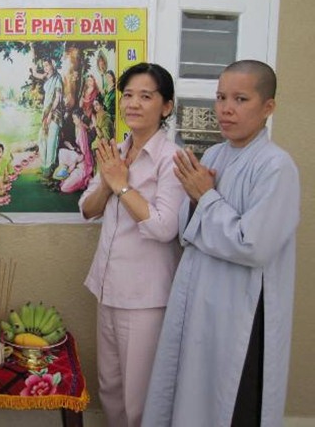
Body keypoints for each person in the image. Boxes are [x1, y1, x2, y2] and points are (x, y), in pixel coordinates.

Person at [142, 60, 300, 427]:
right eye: (220, 97)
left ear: (268, 107)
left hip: (241, 312)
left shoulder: (276, 167)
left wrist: (206, 198)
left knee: (232, 399)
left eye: (240, 99)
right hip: (202, 302)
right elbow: (188, 232)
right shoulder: (214, 155)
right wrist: (194, 200)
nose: (226, 109)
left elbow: (253, 245)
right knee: (192, 391)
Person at [79, 62, 185, 427]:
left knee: (138, 397)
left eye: (146, 96)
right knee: (109, 388)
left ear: (166, 106)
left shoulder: (172, 159)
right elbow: (87, 209)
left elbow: (164, 226)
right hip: (108, 288)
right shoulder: (116, 151)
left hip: (145, 298)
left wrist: (122, 186)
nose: (133, 104)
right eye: (127, 95)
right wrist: (109, 182)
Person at [32, 58, 64, 180]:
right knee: (42, 138)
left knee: (51, 140)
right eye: (44, 65)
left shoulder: (57, 78)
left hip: (55, 112)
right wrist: (34, 65)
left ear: (52, 65)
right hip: (46, 112)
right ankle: (44, 164)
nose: (45, 67)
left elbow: (57, 98)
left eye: (47, 65)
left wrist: (51, 113)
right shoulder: (47, 77)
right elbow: (35, 74)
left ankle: (49, 167)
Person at [55, 108, 93, 193]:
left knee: (64, 188)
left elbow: (83, 154)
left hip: (84, 163)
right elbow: (79, 148)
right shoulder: (79, 128)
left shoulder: (82, 131)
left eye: (74, 119)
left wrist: (73, 164)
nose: (73, 121)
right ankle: (63, 174)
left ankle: (84, 180)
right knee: (62, 152)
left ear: (80, 118)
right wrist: (72, 148)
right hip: (79, 156)